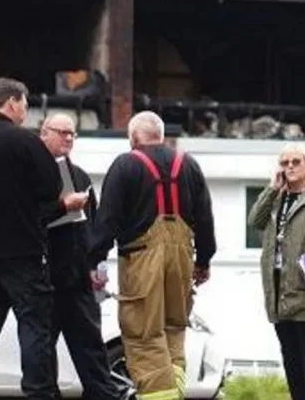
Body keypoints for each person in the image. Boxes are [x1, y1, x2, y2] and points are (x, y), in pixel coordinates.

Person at [0, 77, 88, 400]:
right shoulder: (24, 142)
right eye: (25, 104)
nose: (26, 111)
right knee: (34, 327)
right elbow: (51, 187)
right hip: (23, 252)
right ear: (12, 103)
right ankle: (38, 393)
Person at [88, 111, 217, 400]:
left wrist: (93, 260)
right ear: (161, 135)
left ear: (133, 138)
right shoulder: (190, 165)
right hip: (183, 260)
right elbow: (205, 218)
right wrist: (204, 260)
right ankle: (176, 389)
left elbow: (107, 220)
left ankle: (162, 396)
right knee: (174, 327)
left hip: (140, 261)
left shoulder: (125, 165)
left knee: (143, 334)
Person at [38, 114, 133, 400]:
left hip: (79, 278)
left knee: (91, 350)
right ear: (44, 133)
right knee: (42, 353)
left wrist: (97, 264)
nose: (68, 138)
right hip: (45, 278)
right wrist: (62, 207)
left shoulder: (78, 175)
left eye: (72, 134)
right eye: (62, 132)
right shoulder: (33, 174)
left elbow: (95, 225)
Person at [247, 143, 305, 400]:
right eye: (284, 162)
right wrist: (271, 188)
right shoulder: (276, 196)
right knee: (289, 350)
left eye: (295, 162)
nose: (289, 166)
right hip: (279, 285)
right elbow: (254, 220)